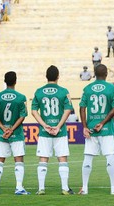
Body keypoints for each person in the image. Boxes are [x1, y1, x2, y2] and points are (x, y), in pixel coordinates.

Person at [79, 64, 114, 195]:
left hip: (91, 130)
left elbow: (82, 108)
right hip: (106, 129)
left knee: (88, 157)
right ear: (106, 74)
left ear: (94, 73)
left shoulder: (87, 89)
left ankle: (84, 188)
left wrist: (84, 127)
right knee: (110, 157)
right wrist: (103, 122)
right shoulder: (112, 88)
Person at [31, 65, 74, 195]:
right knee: (62, 158)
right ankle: (65, 188)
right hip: (59, 132)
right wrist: (59, 126)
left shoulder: (39, 91)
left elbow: (33, 111)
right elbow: (68, 110)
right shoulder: (64, 91)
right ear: (58, 76)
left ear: (46, 76)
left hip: (45, 132)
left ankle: (41, 188)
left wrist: (44, 125)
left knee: (43, 159)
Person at [0, 71, 29, 195]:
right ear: (15, 81)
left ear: (4, 81)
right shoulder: (21, 97)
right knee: (18, 160)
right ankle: (19, 187)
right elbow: (22, 116)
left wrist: (3, 128)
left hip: (2, 134)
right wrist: (11, 130)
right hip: (16, 133)